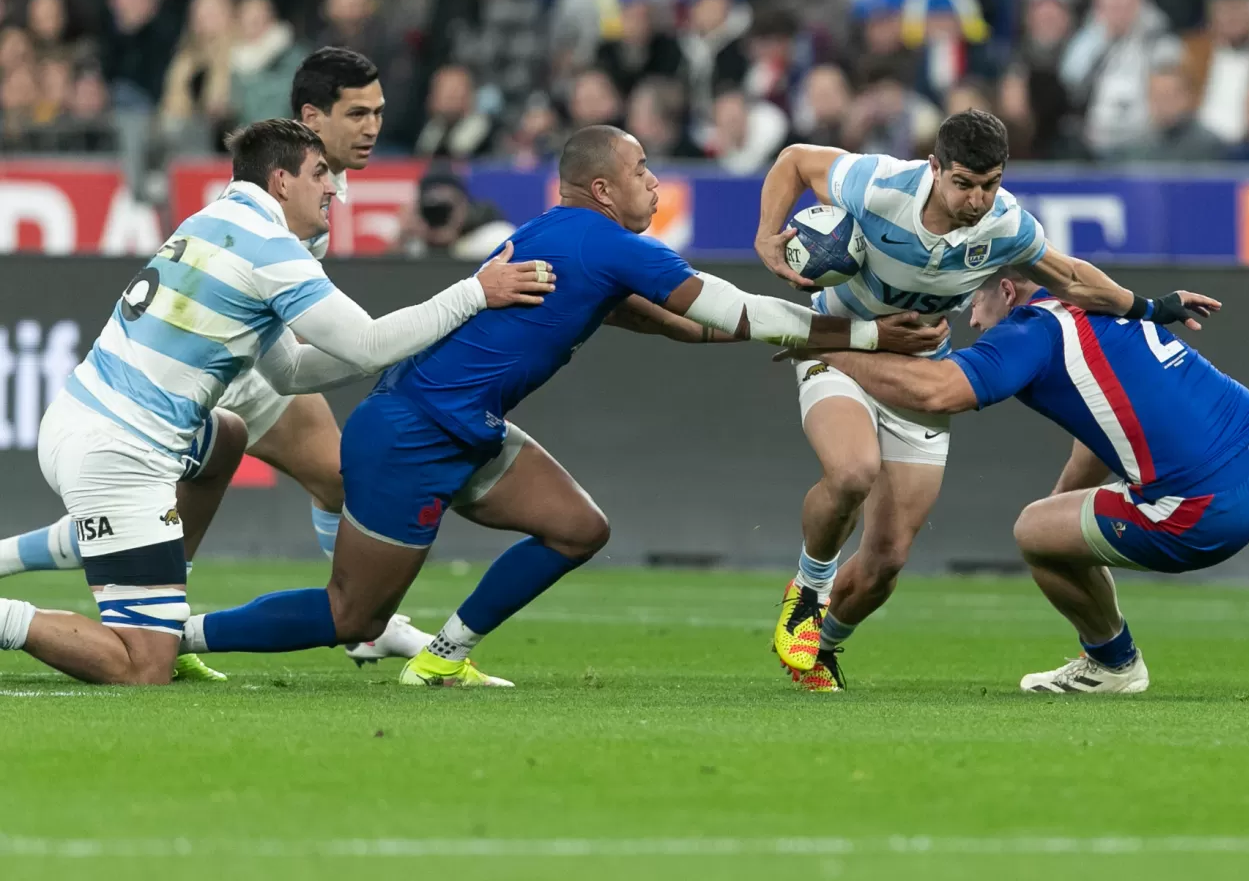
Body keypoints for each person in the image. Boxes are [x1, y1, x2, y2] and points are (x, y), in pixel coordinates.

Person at [172, 126, 948, 687]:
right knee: (353, 617)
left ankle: (445, 653)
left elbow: (671, 321)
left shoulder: (564, 237)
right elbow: (732, 307)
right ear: (603, 188)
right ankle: (178, 630)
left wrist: (799, 340)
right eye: (642, 169)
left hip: (462, 423)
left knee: (579, 528)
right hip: (410, 431)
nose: (653, 181)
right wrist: (873, 333)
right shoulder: (605, 241)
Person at [0, 119, 553, 685]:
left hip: (83, 416)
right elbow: (363, 344)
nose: (332, 188)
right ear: (281, 180)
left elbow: (288, 372)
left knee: (228, 437)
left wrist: (405, 349)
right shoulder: (269, 249)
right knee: (143, 667)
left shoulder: (215, 221)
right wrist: (474, 293)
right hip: (118, 454)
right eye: (319, 174)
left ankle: (159, 594)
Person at [754, 110, 1219, 691]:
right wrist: (766, 237)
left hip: (920, 370)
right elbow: (794, 159)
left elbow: (1070, 277)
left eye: (990, 184)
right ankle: (809, 589)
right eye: (964, 184)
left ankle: (819, 651)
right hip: (840, 346)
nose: (978, 199)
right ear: (934, 169)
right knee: (852, 472)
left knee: (887, 560)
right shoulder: (877, 183)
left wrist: (1150, 307)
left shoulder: (1006, 225)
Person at [794, 268, 1249, 698]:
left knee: (1034, 531)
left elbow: (932, 390)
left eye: (972, 299)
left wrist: (827, 347)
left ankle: (1112, 664)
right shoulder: (1100, 302)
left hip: (1200, 508)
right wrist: (1068, 508)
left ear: (1007, 289)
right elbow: (1102, 429)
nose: (967, 315)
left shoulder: (1029, 330)